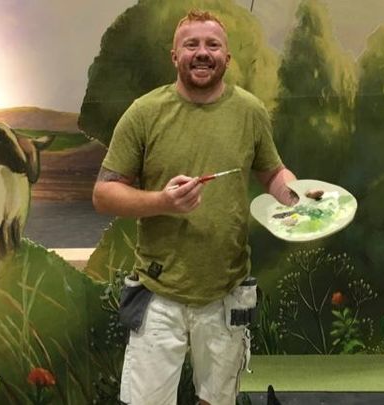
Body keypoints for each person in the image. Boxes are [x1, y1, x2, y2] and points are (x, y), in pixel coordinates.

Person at [92, 9, 304, 405]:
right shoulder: (144, 112)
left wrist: (297, 198)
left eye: (213, 45)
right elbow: (104, 193)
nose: (202, 53)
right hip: (158, 292)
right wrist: (162, 201)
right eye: (191, 44)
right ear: (175, 56)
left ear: (227, 57)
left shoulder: (250, 112)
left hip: (226, 292)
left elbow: (273, 173)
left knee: (217, 400)